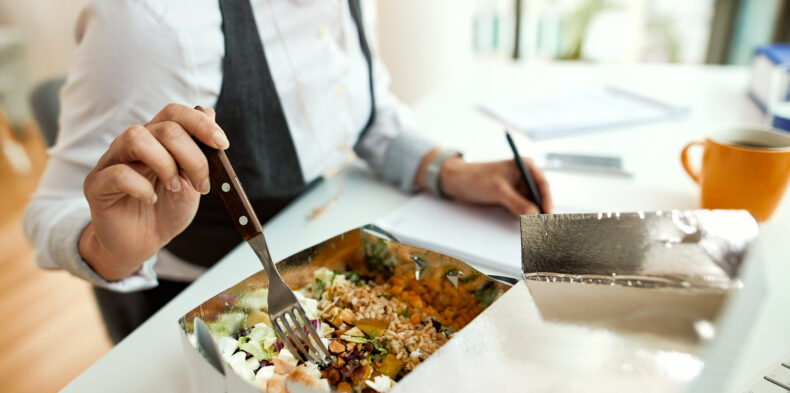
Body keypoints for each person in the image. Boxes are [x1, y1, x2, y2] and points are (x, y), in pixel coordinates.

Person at [23, 0, 552, 344]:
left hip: (318, 264)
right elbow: (49, 211)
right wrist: (112, 247)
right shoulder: (152, 21)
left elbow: (364, 112)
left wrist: (446, 170)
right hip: (202, 314)